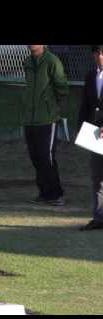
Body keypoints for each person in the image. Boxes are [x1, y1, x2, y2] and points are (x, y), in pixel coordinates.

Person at [21, 45, 70, 206]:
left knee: (46, 156)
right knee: (35, 156)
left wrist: (51, 107)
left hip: (47, 119)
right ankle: (44, 193)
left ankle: (56, 194)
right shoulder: (27, 62)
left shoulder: (52, 61)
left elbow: (62, 87)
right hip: (30, 118)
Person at [78, 45, 103, 231]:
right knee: (97, 177)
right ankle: (99, 217)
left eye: (102, 53)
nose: (100, 57)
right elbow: (85, 105)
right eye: (97, 53)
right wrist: (80, 128)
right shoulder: (90, 76)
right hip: (95, 134)